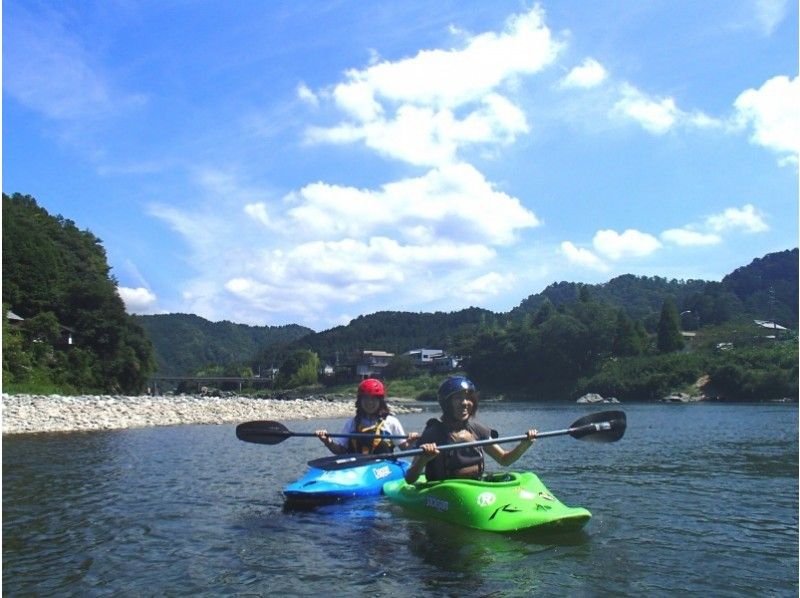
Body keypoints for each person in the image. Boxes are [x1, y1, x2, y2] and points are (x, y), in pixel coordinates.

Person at [404, 376, 537, 484]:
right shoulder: (433, 432)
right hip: (443, 491)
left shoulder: (477, 428)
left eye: (468, 398)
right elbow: (410, 479)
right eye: (458, 398)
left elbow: (504, 459)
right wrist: (423, 459)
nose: (465, 403)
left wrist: (524, 444)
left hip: (475, 486)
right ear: (446, 403)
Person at [316, 378, 420, 455]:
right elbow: (340, 451)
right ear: (360, 401)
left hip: (383, 468)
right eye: (366, 398)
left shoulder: (391, 422)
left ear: (380, 401)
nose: (370, 402)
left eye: (374, 399)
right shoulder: (352, 423)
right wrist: (327, 441)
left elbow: (404, 448)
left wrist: (411, 441)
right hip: (357, 467)